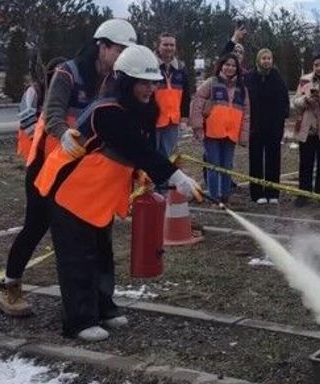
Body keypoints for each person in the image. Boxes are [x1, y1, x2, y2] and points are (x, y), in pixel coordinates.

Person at [33, 45, 202, 341]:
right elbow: (139, 149)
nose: (150, 89)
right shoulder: (108, 111)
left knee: (101, 252)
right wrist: (176, 176)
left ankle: (103, 307)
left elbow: (130, 154)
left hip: (96, 194)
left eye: (154, 83)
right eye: (143, 83)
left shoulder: (137, 110)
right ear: (126, 81)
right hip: (69, 190)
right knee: (77, 257)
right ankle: (79, 321)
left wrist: (142, 174)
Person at [0, 19, 136, 318]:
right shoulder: (68, 73)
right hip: (49, 163)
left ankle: (98, 301)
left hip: (84, 170)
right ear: (103, 46)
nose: (123, 56)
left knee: (97, 231)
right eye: (120, 49)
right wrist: (63, 134)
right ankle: (10, 285)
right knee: (37, 225)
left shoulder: (115, 79)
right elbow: (54, 113)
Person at [190, 53, 250, 208]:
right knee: (213, 165)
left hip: (231, 133)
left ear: (237, 68)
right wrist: (197, 126)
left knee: (227, 166)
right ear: (221, 66)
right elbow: (197, 102)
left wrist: (243, 136)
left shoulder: (242, 89)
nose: (230, 68)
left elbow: (247, 114)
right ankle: (214, 197)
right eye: (227, 64)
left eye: (233, 65)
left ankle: (225, 197)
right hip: (212, 132)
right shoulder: (211, 83)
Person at [292, 54, 320, 205]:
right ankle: (303, 194)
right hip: (308, 127)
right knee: (305, 162)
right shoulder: (305, 79)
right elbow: (295, 101)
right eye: (316, 65)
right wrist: (306, 100)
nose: (319, 68)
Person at [246, 48, 289, 204]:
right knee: (255, 160)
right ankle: (257, 193)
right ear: (258, 60)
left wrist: (282, 119)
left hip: (273, 126)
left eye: (269, 58)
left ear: (272, 60)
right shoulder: (249, 77)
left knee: (273, 160)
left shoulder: (277, 78)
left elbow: (284, 101)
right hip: (255, 126)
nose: (266, 61)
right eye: (263, 58)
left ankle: (273, 192)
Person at [16, 58, 66, 163]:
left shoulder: (64, 94)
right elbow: (26, 117)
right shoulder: (34, 90)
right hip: (32, 144)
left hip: (48, 148)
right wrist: (40, 142)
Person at [154, 33, 189, 159]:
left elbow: (186, 94)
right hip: (153, 120)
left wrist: (184, 117)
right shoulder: (151, 65)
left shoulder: (181, 67)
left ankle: (164, 179)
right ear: (158, 46)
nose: (169, 48)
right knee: (151, 156)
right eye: (165, 44)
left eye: (172, 45)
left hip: (172, 120)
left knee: (167, 157)